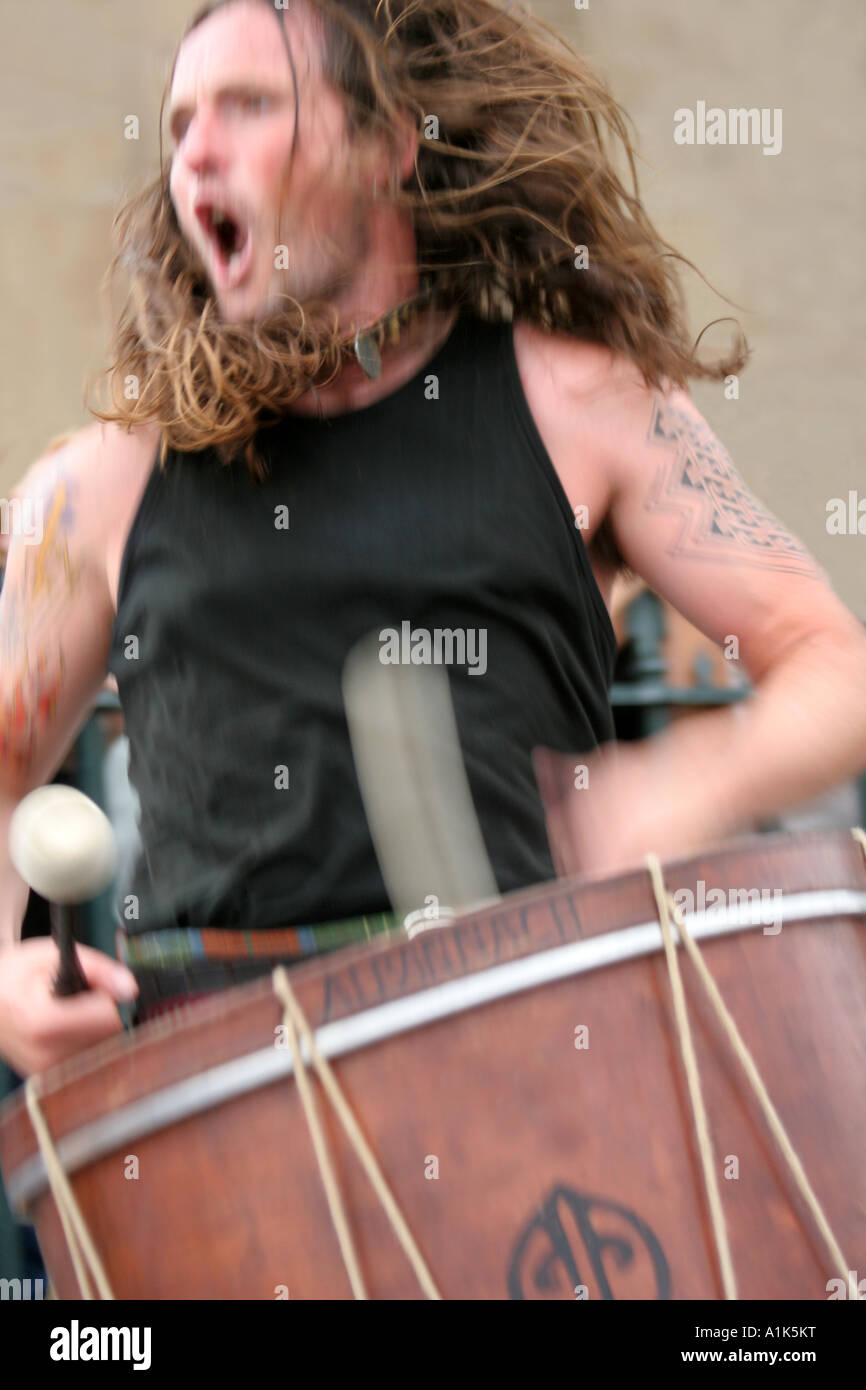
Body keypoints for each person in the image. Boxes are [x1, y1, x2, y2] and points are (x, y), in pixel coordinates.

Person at [1, 0, 865, 1076]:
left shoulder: (579, 405)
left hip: (537, 1084)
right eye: (178, 125)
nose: (196, 156)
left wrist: (685, 783)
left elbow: (834, 665)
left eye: (251, 106)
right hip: (214, 1133)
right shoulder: (98, 486)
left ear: (386, 148)